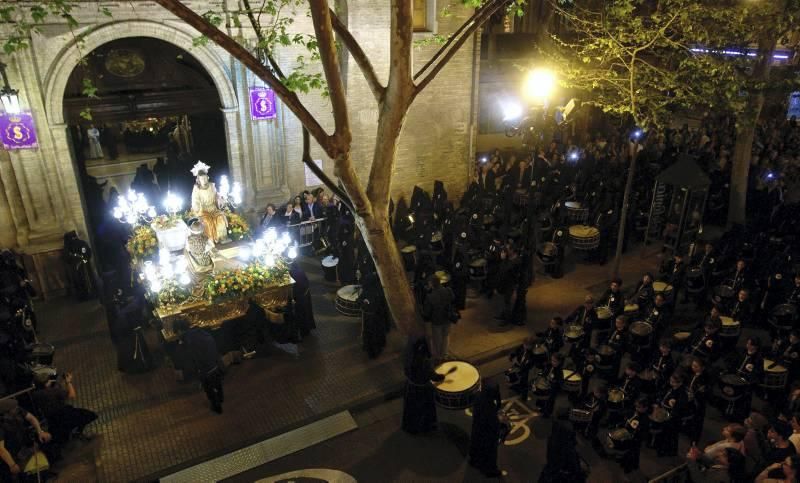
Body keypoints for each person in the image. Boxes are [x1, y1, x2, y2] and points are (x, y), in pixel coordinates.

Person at [30, 371, 98, 447]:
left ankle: (70, 434)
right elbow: (72, 395)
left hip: (52, 419)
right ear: (46, 383)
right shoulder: (54, 391)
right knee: (90, 415)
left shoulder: (35, 395)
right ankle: (78, 432)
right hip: (65, 413)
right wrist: (68, 382)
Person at [174, 319, 225, 414]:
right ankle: (221, 398)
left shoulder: (187, 341)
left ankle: (217, 407)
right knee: (217, 383)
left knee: (209, 389)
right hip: (214, 363)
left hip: (204, 369)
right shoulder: (200, 332)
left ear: (179, 330)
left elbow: (189, 358)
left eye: (177, 332)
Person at [401, 338, 444, 434]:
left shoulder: (408, 357)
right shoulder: (425, 363)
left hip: (411, 387)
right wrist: (442, 376)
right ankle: (425, 428)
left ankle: (410, 427)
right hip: (423, 390)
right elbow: (433, 377)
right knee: (424, 410)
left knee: (412, 409)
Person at [469, 382, 504, 477]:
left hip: (477, 428)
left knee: (476, 442)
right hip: (488, 432)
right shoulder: (490, 409)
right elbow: (494, 426)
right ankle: (490, 470)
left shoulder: (478, 397)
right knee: (490, 449)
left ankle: (473, 460)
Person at [190, 161, 229, 244]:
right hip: (203, 210)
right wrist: (197, 208)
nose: (203, 180)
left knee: (220, 218)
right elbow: (195, 201)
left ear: (207, 177)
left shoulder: (212, 186)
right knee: (207, 221)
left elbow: (216, 196)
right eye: (201, 179)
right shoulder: (196, 189)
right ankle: (209, 240)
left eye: (205, 178)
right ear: (198, 180)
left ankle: (222, 237)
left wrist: (220, 199)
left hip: (213, 209)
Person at [422, 275, 455, 364]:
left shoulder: (430, 296)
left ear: (432, 284)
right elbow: (453, 299)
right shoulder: (448, 290)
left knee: (437, 339)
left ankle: (438, 357)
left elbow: (427, 312)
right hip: (447, 318)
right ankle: (445, 354)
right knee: (446, 336)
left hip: (437, 321)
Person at [289, 261, 316, 338]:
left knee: (301, 315)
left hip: (299, 298)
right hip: (305, 296)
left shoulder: (292, 273)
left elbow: (293, 287)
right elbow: (306, 283)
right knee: (307, 312)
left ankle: (303, 331)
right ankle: (308, 328)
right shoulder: (300, 271)